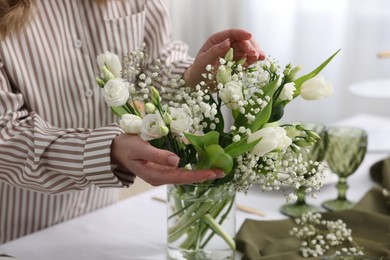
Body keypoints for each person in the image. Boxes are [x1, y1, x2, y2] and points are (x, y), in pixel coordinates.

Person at [0, 0, 265, 244]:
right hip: (14, 235)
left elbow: (153, 65)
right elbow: (6, 134)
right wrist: (110, 150)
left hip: (103, 219)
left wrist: (195, 74)